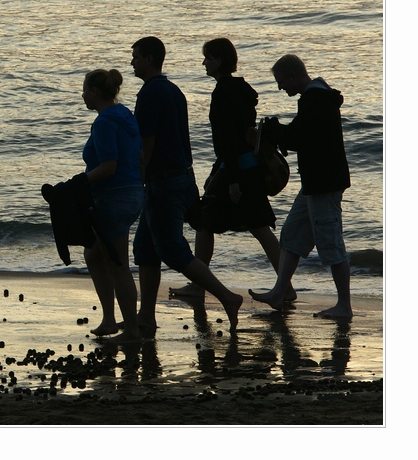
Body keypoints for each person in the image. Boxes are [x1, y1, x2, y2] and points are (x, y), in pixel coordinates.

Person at [130, 36, 244, 332]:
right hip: (182, 176)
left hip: (162, 182)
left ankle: (227, 297)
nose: (132, 62)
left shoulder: (150, 94)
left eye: (136, 56)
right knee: (145, 248)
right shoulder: (173, 91)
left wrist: (137, 178)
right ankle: (146, 317)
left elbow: (148, 143)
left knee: (171, 249)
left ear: (150, 59)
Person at [169, 38, 292, 302]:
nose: (204, 63)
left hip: (235, 171)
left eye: (208, 58)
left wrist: (231, 180)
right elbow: (241, 136)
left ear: (219, 61)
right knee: (258, 227)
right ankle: (286, 286)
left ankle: (198, 285)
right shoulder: (242, 89)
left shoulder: (223, 92)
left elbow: (228, 140)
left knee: (205, 221)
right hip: (248, 168)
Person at [249, 54, 352, 319]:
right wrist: (278, 131)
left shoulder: (315, 100)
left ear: (295, 76)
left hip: (324, 184)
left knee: (331, 244)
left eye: (281, 81)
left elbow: (297, 137)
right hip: (314, 183)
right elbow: (301, 135)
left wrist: (274, 131)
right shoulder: (316, 98)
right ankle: (279, 292)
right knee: (292, 234)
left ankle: (344, 306)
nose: (280, 87)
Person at [79, 68, 145, 343]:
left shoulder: (104, 121)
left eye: (84, 90)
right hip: (131, 193)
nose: (82, 95)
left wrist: (77, 183)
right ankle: (109, 319)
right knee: (94, 255)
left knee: (118, 265)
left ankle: (132, 331)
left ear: (94, 92)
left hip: (114, 198)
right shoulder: (125, 114)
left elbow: (108, 166)